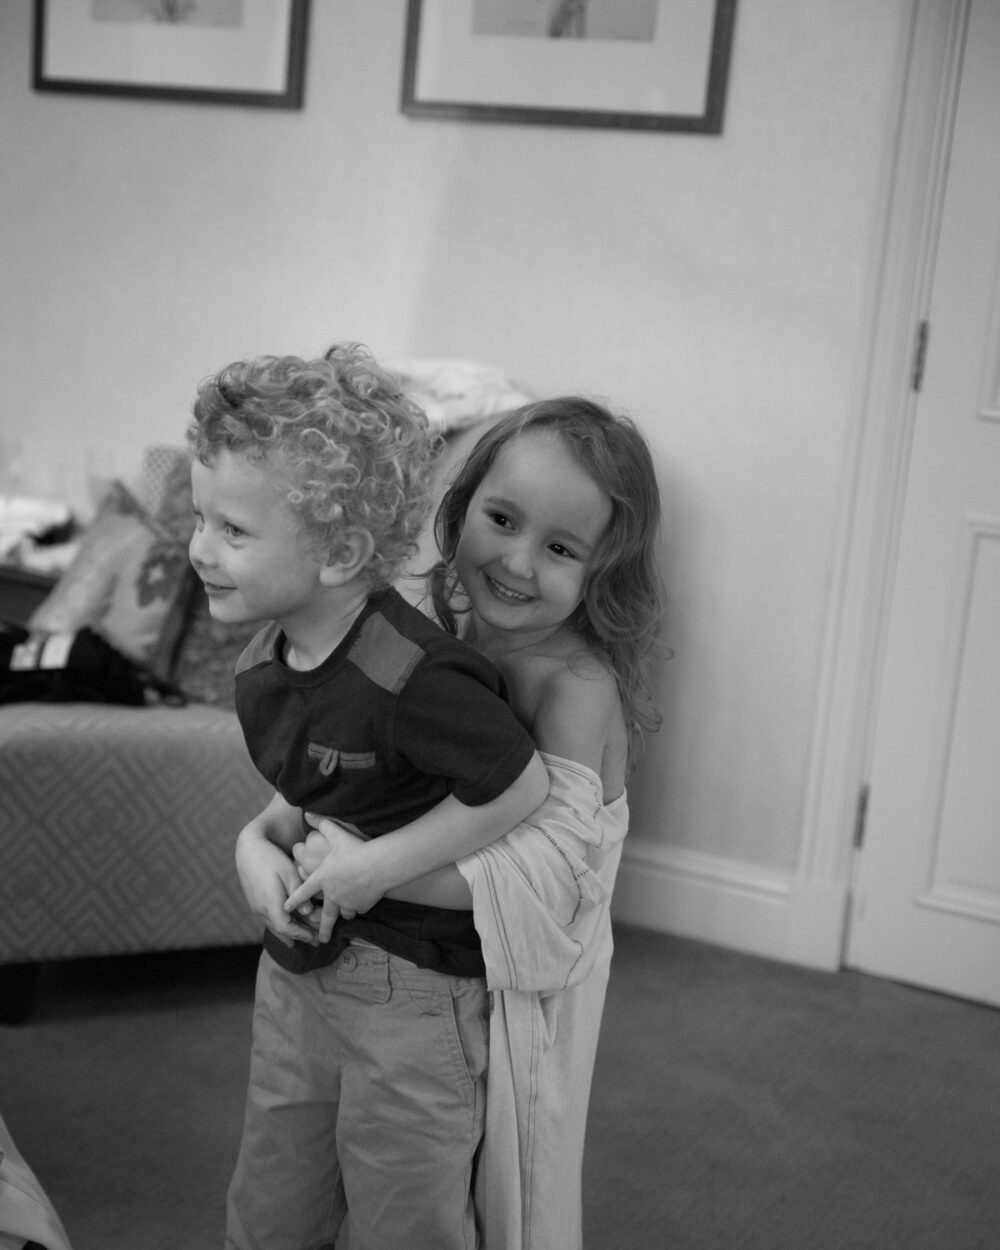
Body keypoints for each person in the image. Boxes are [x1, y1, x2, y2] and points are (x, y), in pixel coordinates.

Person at [186, 343, 549, 1250]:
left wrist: (376, 868)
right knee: (271, 1208)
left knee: (404, 1221)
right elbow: (312, 787)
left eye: (233, 531)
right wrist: (253, 845)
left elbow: (519, 783)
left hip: (412, 998)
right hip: (296, 977)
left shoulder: (413, 674)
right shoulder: (265, 662)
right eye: (200, 519)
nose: (200, 551)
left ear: (341, 552)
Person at [289, 395, 664, 1249]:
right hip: (425, 961)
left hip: (532, 987)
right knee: (383, 1160)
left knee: (506, 1177)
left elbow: (549, 881)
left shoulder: (575, 688)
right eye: (502, 519)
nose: (518, 562)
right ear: (460, 510)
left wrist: (371, 870)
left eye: (561, 549)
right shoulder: (444, 635)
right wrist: (280, 835)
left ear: (603, 571)